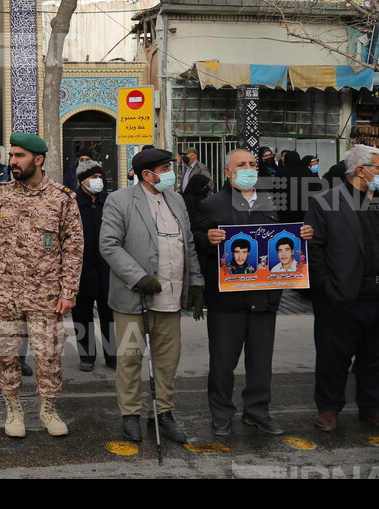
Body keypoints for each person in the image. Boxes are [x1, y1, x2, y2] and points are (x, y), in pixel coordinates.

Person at [193, 148, 313, 437]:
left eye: (252, 164)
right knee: (223, 362)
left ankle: (257, 411)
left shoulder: (272, 202)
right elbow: (193, 239)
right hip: (226, 300)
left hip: (265, 297)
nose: (248, 168)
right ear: (227, 172)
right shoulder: (212, 204)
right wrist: (207, 239)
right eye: (241, 165)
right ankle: (221, 414)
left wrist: (303, 236)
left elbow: (288, 236)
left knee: (261, 361)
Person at [0, 132, 83, 438]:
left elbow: (73, 249)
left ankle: (48, 411)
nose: (12, 162)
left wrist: (68, 292)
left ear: (38, 160)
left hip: (46, 295)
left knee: (48, 356)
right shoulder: (0, 196)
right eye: (11, 156)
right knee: (6, 355)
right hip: (4, 293)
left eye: (19, 156)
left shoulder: (61, 198)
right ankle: (13, 411)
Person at [99, 148, 204, 444]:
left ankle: (162, 413)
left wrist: (195, 282)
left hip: (170, 298)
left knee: (167, 361)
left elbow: (189, 245)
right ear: (147, 175)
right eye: (165, 168)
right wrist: (139, 277)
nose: (171, 172)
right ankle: (130, 414)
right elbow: (109, 245)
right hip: (134, 301)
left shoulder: (176, 200)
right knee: (131, 358)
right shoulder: (119, 201)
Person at [305, 144, 379, 432]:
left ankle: (371, 407)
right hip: (344, 292)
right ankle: (328, 408)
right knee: (333, 355)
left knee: (374, 356)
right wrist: (326, 286)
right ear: (360, 170)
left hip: (376, 291)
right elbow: (314, 248)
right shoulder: (326, 201)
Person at [72, 159, 116, 372]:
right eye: (93, 177)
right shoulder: (71, 203)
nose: (98, 181)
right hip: (81, 270)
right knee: (82, 316)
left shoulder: (110, 201)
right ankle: (87, 356)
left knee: (110, 316)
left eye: (100, 177)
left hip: (107, 269)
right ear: (82, 181)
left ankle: (112, 355)